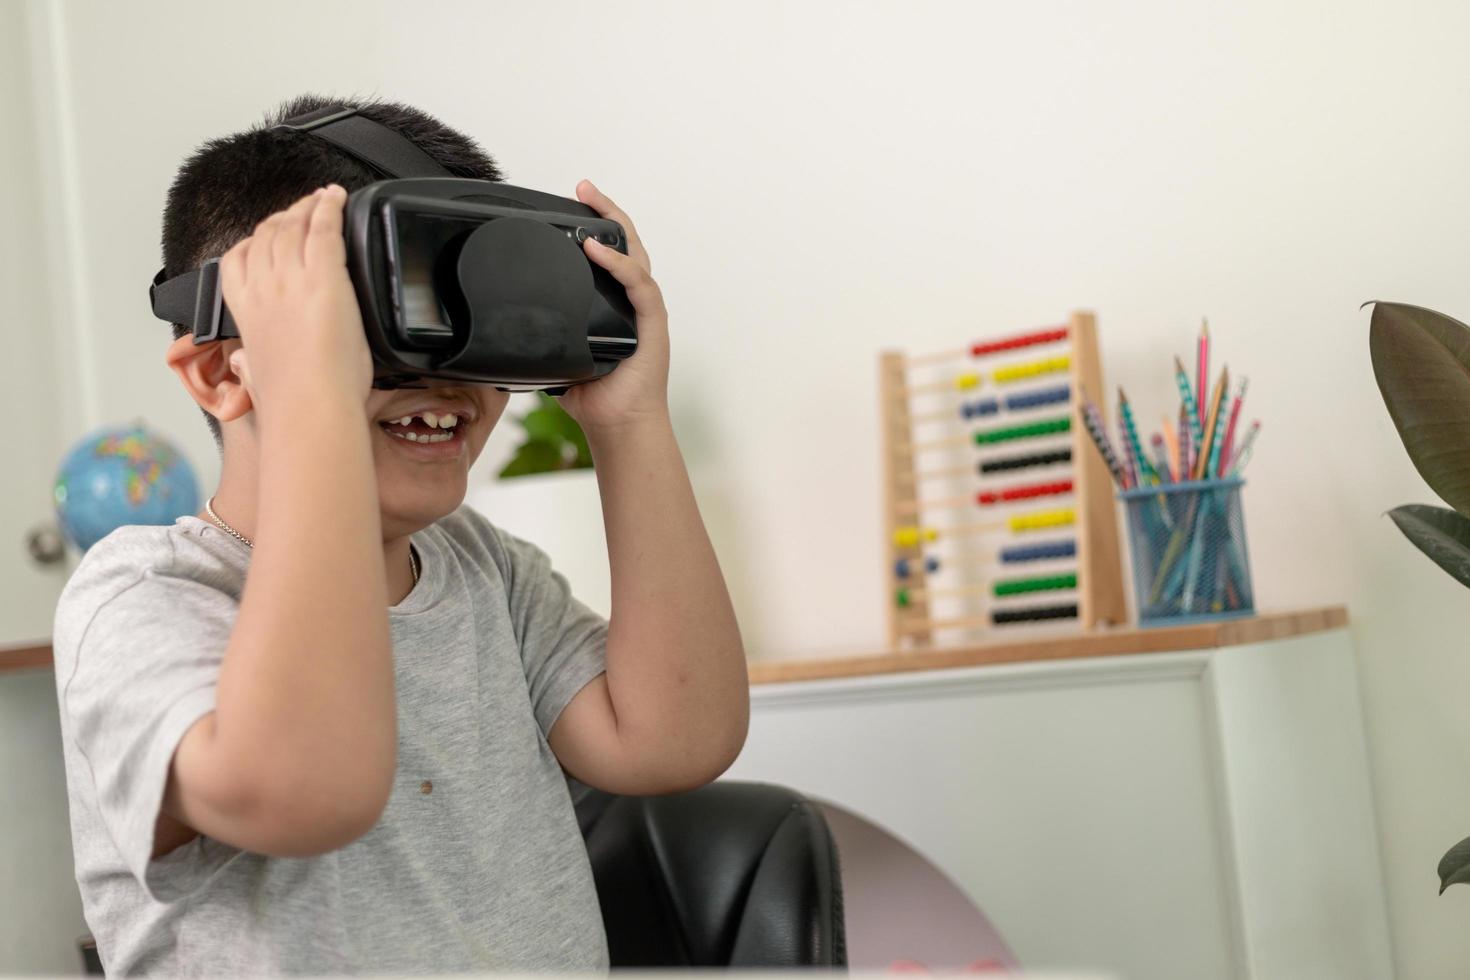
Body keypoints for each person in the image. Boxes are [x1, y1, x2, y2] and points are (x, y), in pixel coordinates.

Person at [50, 94, 749, 975]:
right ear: (227, 371)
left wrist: (629, 420)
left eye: (473, 333)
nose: (447, 381)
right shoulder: (145, 600)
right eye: (378, 331)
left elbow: (675, 741)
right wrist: (314, 401)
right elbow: (310, 793)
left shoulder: (483, 571)